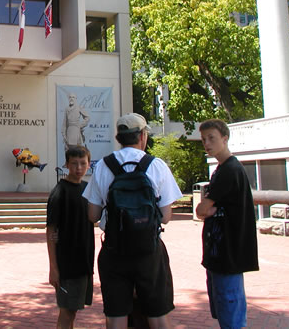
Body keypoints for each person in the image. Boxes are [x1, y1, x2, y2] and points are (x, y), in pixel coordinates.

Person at [83, 113, 182, 329]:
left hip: (115, 250)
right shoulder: (156, 165)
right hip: (149, 251)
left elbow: (93, 215)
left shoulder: (104, 166)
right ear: (143, 135)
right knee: (157, 314)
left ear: (118, 137)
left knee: (116, 315)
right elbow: (166, 217)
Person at [195, 119, 259, 329]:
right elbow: (204, 210)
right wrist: (208, 209)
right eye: (204, 139)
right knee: (225, 310)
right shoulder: (222, 170)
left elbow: (201, 210)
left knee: (231, 314)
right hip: (218, 254)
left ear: (225, 139)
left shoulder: (230, 170)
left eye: (211, 138)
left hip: (227, 254)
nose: (207, 143)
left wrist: (209, 209)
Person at [46, 145, 95, 329]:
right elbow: (51, 230)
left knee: (73, 310)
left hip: (84, 261)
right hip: (67, 263)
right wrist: (53, 268)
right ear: (66, 164)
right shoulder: (60, 192)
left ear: (89, 164)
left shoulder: (88, 189)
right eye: (74, 163)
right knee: (67, 312)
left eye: (83, 163)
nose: (78, 168)